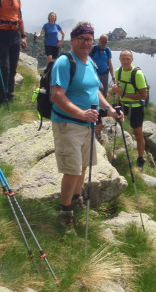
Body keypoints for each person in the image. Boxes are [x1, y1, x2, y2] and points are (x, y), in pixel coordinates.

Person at [50, 22, 124, 228]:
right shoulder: (64, 62)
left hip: (87, 125)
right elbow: (57, 95)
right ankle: (65, 214)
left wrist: (109, 109)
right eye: (81, 38)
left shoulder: (89, 61)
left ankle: (76, 199)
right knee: (72, 170)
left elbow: (95, 91)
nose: (86, 42)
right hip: (68, 124)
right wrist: (81, 113)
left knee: (82, 166)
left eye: (89, 39)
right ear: (72, 40)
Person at [111, 49, 148, 169]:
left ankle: (140, 158)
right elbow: (119, 87)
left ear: (132, 59)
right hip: (122, 104)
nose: (125, 61)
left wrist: (123, 94)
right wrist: (117, 92)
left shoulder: (138, 74)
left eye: (128, 59)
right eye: (123, 59)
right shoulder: (118, 71)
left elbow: (143, 95)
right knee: (102, 112)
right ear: (119, 59)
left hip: (136, 107)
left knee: (138, 133)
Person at [89, 34, 115, 141]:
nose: (104, 44)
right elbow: (87, 60)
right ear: (99, 40)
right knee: (95, 94)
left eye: (106, 42)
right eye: (102, 42)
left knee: (103, 96)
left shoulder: (107, 51)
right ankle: (95, 115)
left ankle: (99, 114)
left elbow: (110, 64)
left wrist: (113, 76)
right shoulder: (93, 49)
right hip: (95, 75)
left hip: (105, 75)